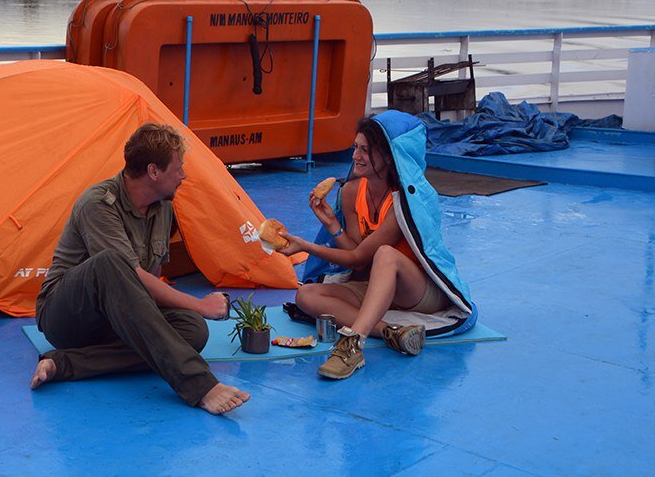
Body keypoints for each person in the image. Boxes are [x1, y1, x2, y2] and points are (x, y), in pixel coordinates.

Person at [30, 122, 250, 414]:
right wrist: (200, 305)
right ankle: (199, 384)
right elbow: (133, 275)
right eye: (178, 168)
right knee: (111, 262)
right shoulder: (98, 204)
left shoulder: (163, 207)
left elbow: (149, 281)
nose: (183, 175)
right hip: (68, 315)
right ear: (154, 172)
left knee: (192, 332)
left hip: (116, 316)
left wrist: (189, 314)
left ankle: (64, 363)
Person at [275, 112, 473, 380]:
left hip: (416, 291)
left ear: (390, 156)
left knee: (386, 254)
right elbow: (357, 255)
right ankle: (392, 332)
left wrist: (305, 246)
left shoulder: (403, 200)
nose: (356, 156)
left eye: (366, 150)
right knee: (306, 296)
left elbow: (359, 257)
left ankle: (353, 343)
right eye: (355, 147)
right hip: (378, 286)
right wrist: (333, 224)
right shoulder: (350, 192)